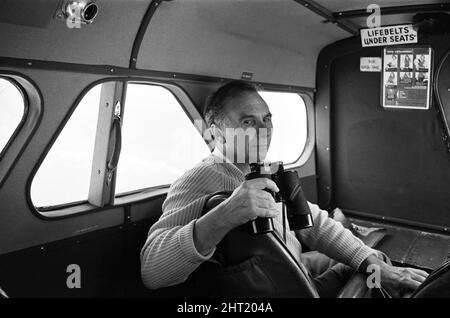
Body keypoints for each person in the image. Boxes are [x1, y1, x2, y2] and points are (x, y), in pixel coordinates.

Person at [140, 80, 428, 297]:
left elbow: (314, 223)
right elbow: (152, 271)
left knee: (373, 260)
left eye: (267, 119)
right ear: (216, 132)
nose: (264, 130)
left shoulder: (263, 170)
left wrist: (370, 261)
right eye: (248, 121)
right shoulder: (201, 178)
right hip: (279, 290)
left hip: (294, 267)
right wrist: (224, 215)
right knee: (372, 273)